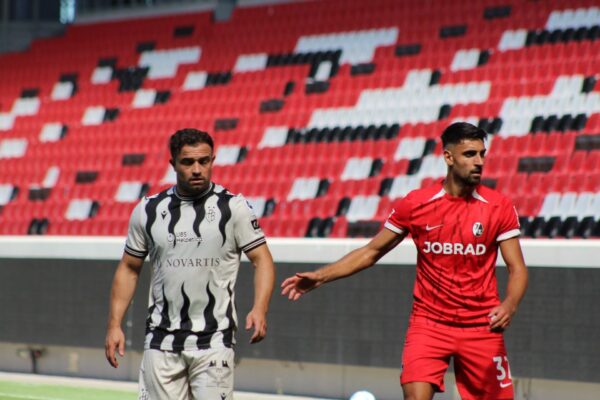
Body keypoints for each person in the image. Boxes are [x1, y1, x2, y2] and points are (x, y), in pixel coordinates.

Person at [282, 122, 528, 400]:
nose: (479, 162)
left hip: (481, 325)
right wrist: (321, 276)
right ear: (448, 157)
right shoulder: (416, 204)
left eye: (482, 154)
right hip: (429, 324)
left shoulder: (499, 206)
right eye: (470, 154)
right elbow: (372, 251)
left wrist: (510, 304)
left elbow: (517, 268)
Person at [105, 128, 275, 400]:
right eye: (188, 162)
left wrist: (260, 307)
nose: (197, 169)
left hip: (214, 340)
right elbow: (128, 268)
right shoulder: (148, 210)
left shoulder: (234, 208)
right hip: (160, 342)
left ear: (212, 160)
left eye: (204, 161)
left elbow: (262, 259)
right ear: (173, 164)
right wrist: (115, 325)